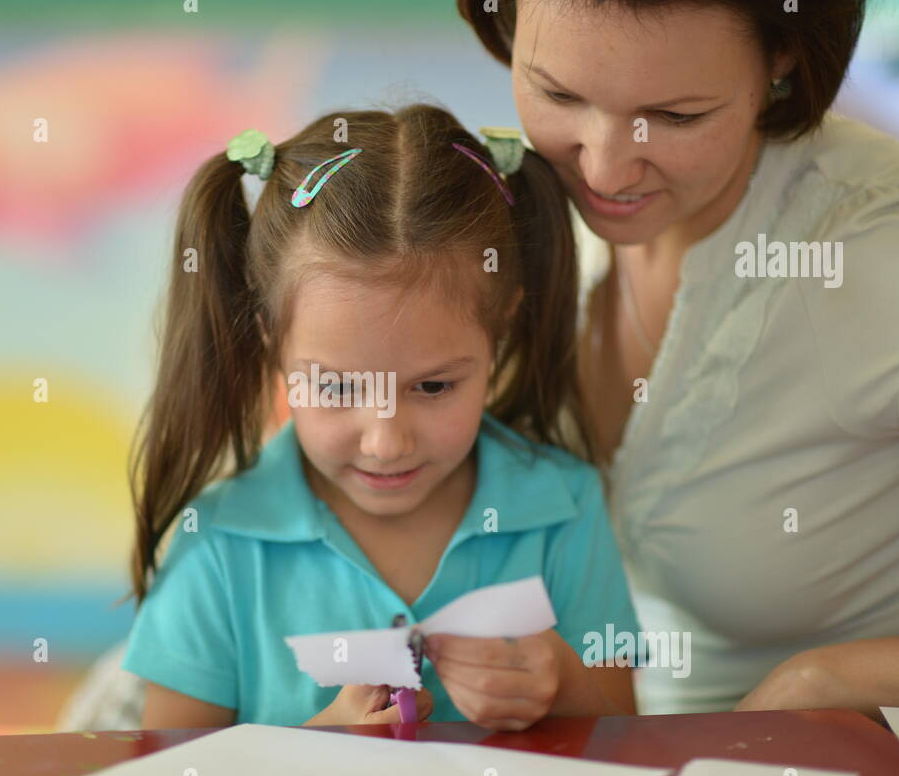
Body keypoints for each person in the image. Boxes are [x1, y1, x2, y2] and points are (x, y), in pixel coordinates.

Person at [457, 0, 899, 718]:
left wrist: (831, 682)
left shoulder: (878, 246)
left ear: (782, 56)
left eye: (676, 117)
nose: (605, 168)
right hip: (665, 761)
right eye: (559, 94)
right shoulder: (534, 203)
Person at [120, 105, 643, 729]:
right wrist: (320, 742)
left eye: (432, 385)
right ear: (271, 342)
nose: (386, 441)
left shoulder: (565, 509)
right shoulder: (221, 542)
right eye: (338, 388)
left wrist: (561, 682)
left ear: (501, 331)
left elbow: (624, 743)